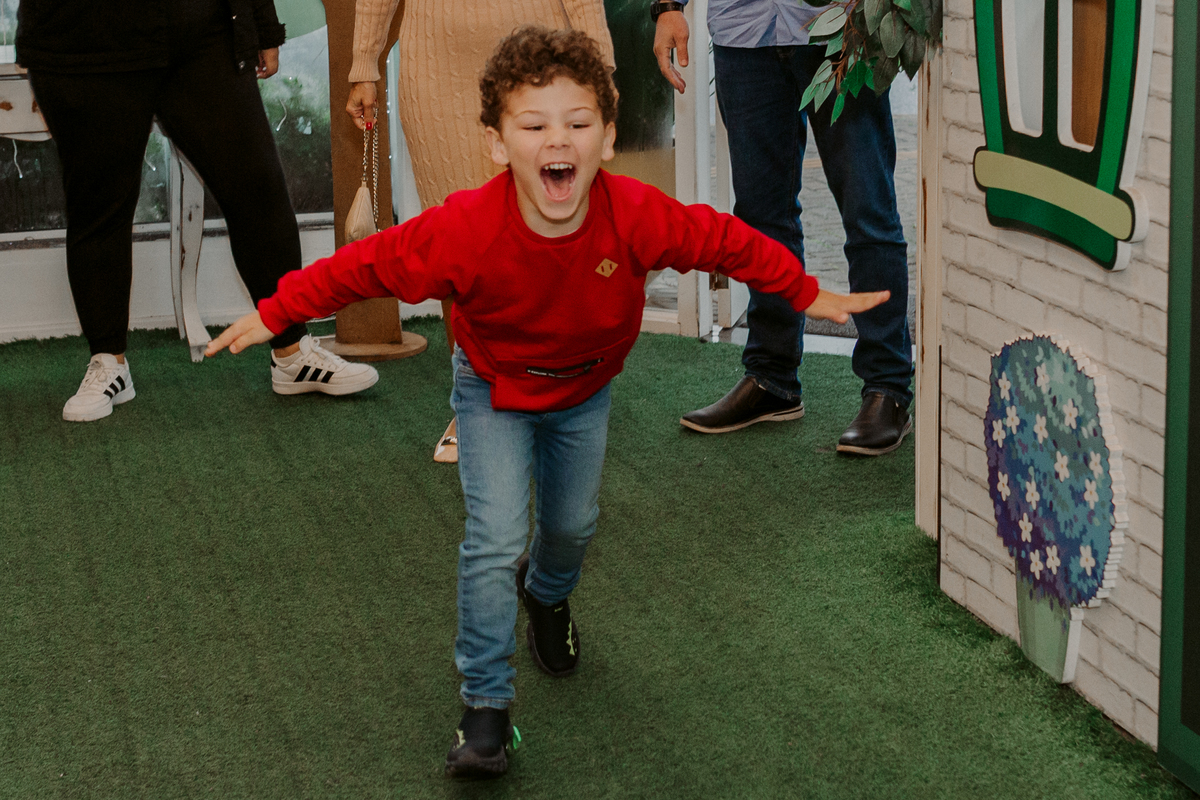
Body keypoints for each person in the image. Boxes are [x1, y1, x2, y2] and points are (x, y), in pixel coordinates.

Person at [205, 26, 888, 778]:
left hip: (584, 392)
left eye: (577, 122)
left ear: (607, 139)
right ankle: (485, 709)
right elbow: (366, 264)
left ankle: (549, 594)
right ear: (498, 145)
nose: (556, 139)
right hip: (491, 388)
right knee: (493, 539)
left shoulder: (635, 214)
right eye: (533, 126)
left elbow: (725, 240)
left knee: (571, 527)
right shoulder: (465, 227)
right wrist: (278, 312)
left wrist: (805, 291)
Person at [15, 0, 378, 422]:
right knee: (97, 206)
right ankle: (108, 361)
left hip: (200, 31)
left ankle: (292, 351)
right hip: (81, 41)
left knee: (256, 189)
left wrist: (262, 25)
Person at [344, 0, 615, 463]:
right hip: (436, 65)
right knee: (458, 247)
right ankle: (475, 406)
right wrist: (364, 63)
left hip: (540, 62)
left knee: (546, 241)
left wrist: (600, 64)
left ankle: (554, 396)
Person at [652, 0, 914, 455]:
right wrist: (668, 7)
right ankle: (771, 379)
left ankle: (887, 387)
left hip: (842, 30)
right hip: (743, 32)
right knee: (761, 217)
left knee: (868, 211)